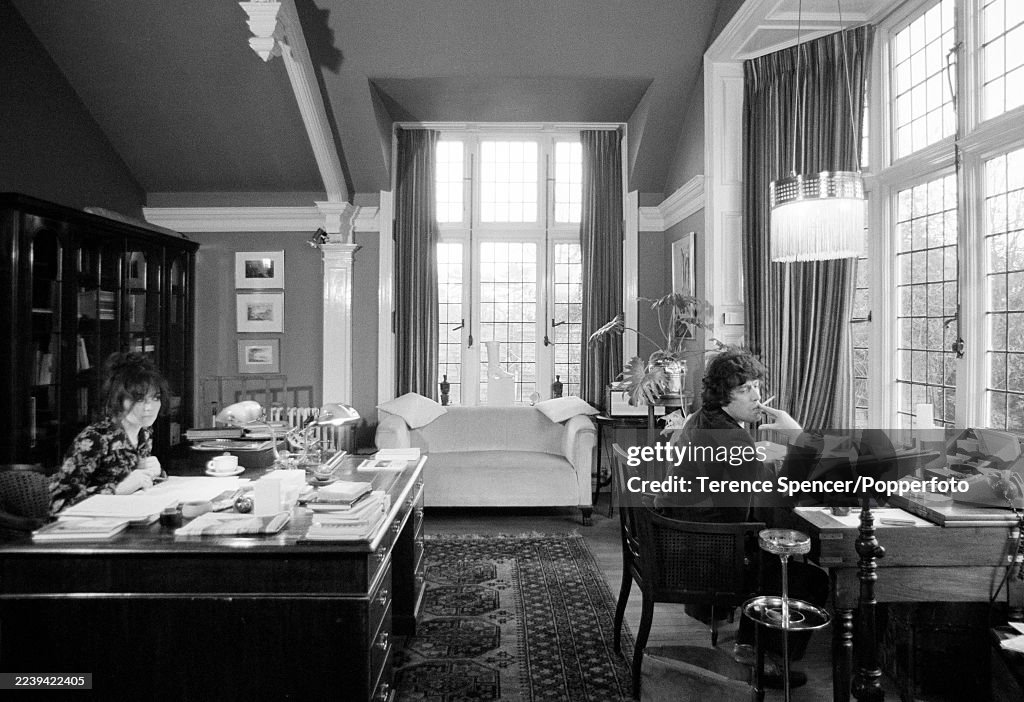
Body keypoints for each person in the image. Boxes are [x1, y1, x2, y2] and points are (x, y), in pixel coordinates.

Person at [655, 348, 828, 689]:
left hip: (681, 540)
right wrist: (798, 437)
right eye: (745, 389)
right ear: (723, 394)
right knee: (811, 578)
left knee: (770, 546)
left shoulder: (702, 419)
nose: (757, 396)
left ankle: (749, 646)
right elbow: (782, 494)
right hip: (703, 555)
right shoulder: (734, 437)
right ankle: (765, 661)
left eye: (757, 386)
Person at [49, 352, 168, 514]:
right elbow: (58, 504)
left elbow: (140, 483)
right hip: (90, 526)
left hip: (129, 516)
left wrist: (156, 473)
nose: (149, 408)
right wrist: (116, 490)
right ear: (118, 399)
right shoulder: (95, 439)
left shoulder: (144, 432)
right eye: (139, 399)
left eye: (155, 398)